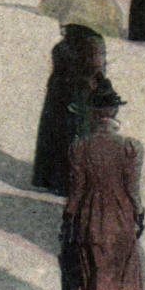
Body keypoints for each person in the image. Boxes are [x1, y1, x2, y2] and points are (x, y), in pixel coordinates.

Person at [62, 83, 145, 290]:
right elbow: (133, 190)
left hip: (90, 218)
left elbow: (76, 192)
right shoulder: (130, 147)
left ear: (92, 113)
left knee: (96, 278)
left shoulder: (79, 147)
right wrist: (139, 215)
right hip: (121, 216)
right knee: (122, 277)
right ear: (114, 113)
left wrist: (68, 219)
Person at [32, 24, 107, 195]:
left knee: (68, 134)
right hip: (63, 92)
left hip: (75, 93)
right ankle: (55, 178)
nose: (61, 23)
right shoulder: (77, 40)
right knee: (60, 134)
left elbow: (95, 70)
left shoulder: (89, 42)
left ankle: (61, 180)